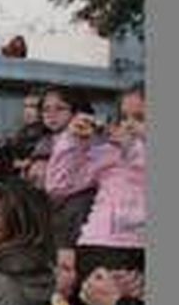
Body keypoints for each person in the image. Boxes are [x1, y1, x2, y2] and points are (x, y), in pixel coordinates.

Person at [44, 83, 146, 282]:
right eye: (124, 117)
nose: (129, 124)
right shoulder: (110, 151)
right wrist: (72, 142)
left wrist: (132, 147)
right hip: (98, 244)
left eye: (140, 118)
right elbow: (58, 186)